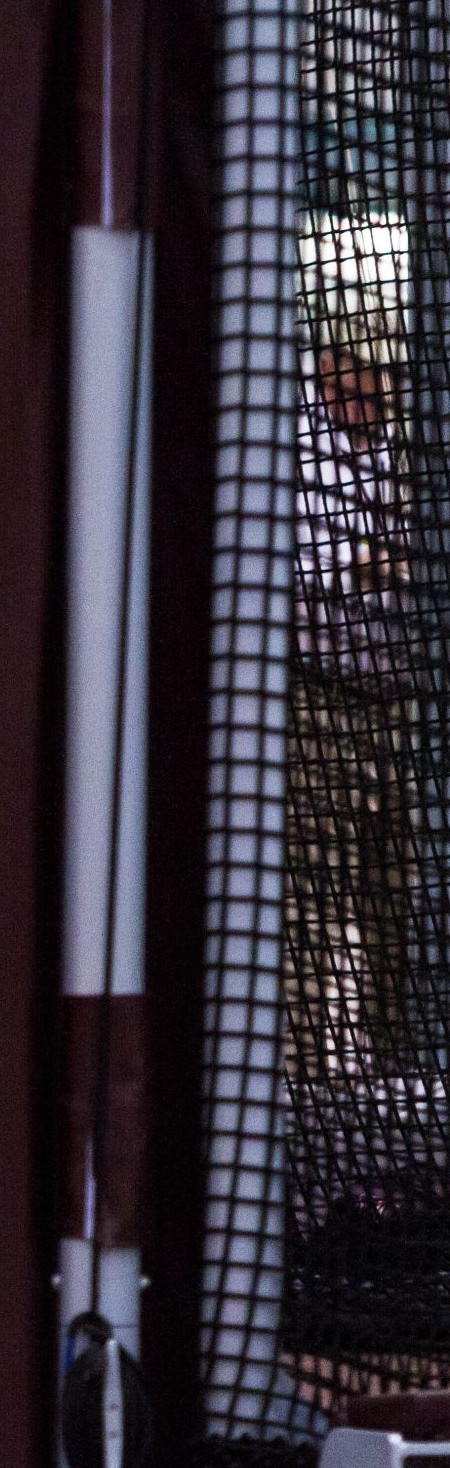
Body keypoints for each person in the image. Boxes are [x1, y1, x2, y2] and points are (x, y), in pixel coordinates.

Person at [290, 337, 427, 1079]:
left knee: (398, 884)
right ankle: (301, 1067)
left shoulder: (403, 439)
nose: (384, 392)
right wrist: (407, 551)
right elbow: (326, 563)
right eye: (373, 373)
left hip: (402, 697)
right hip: (320, 694)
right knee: (313, 882)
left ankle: (400, 1059)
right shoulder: (294, 432)